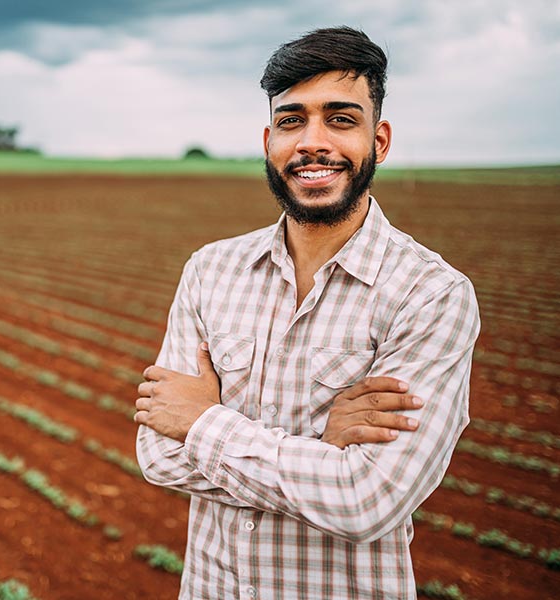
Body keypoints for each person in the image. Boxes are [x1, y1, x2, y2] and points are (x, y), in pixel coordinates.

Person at [134, 26, 480, 600]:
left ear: (381, 139)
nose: (312, 142)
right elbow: (158, 454)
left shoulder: (430, 294)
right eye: (292, 120)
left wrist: (203, 424)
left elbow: (368, 500)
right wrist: (323, 447)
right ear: (268, 139)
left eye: (341, 119)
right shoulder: (210, 270)